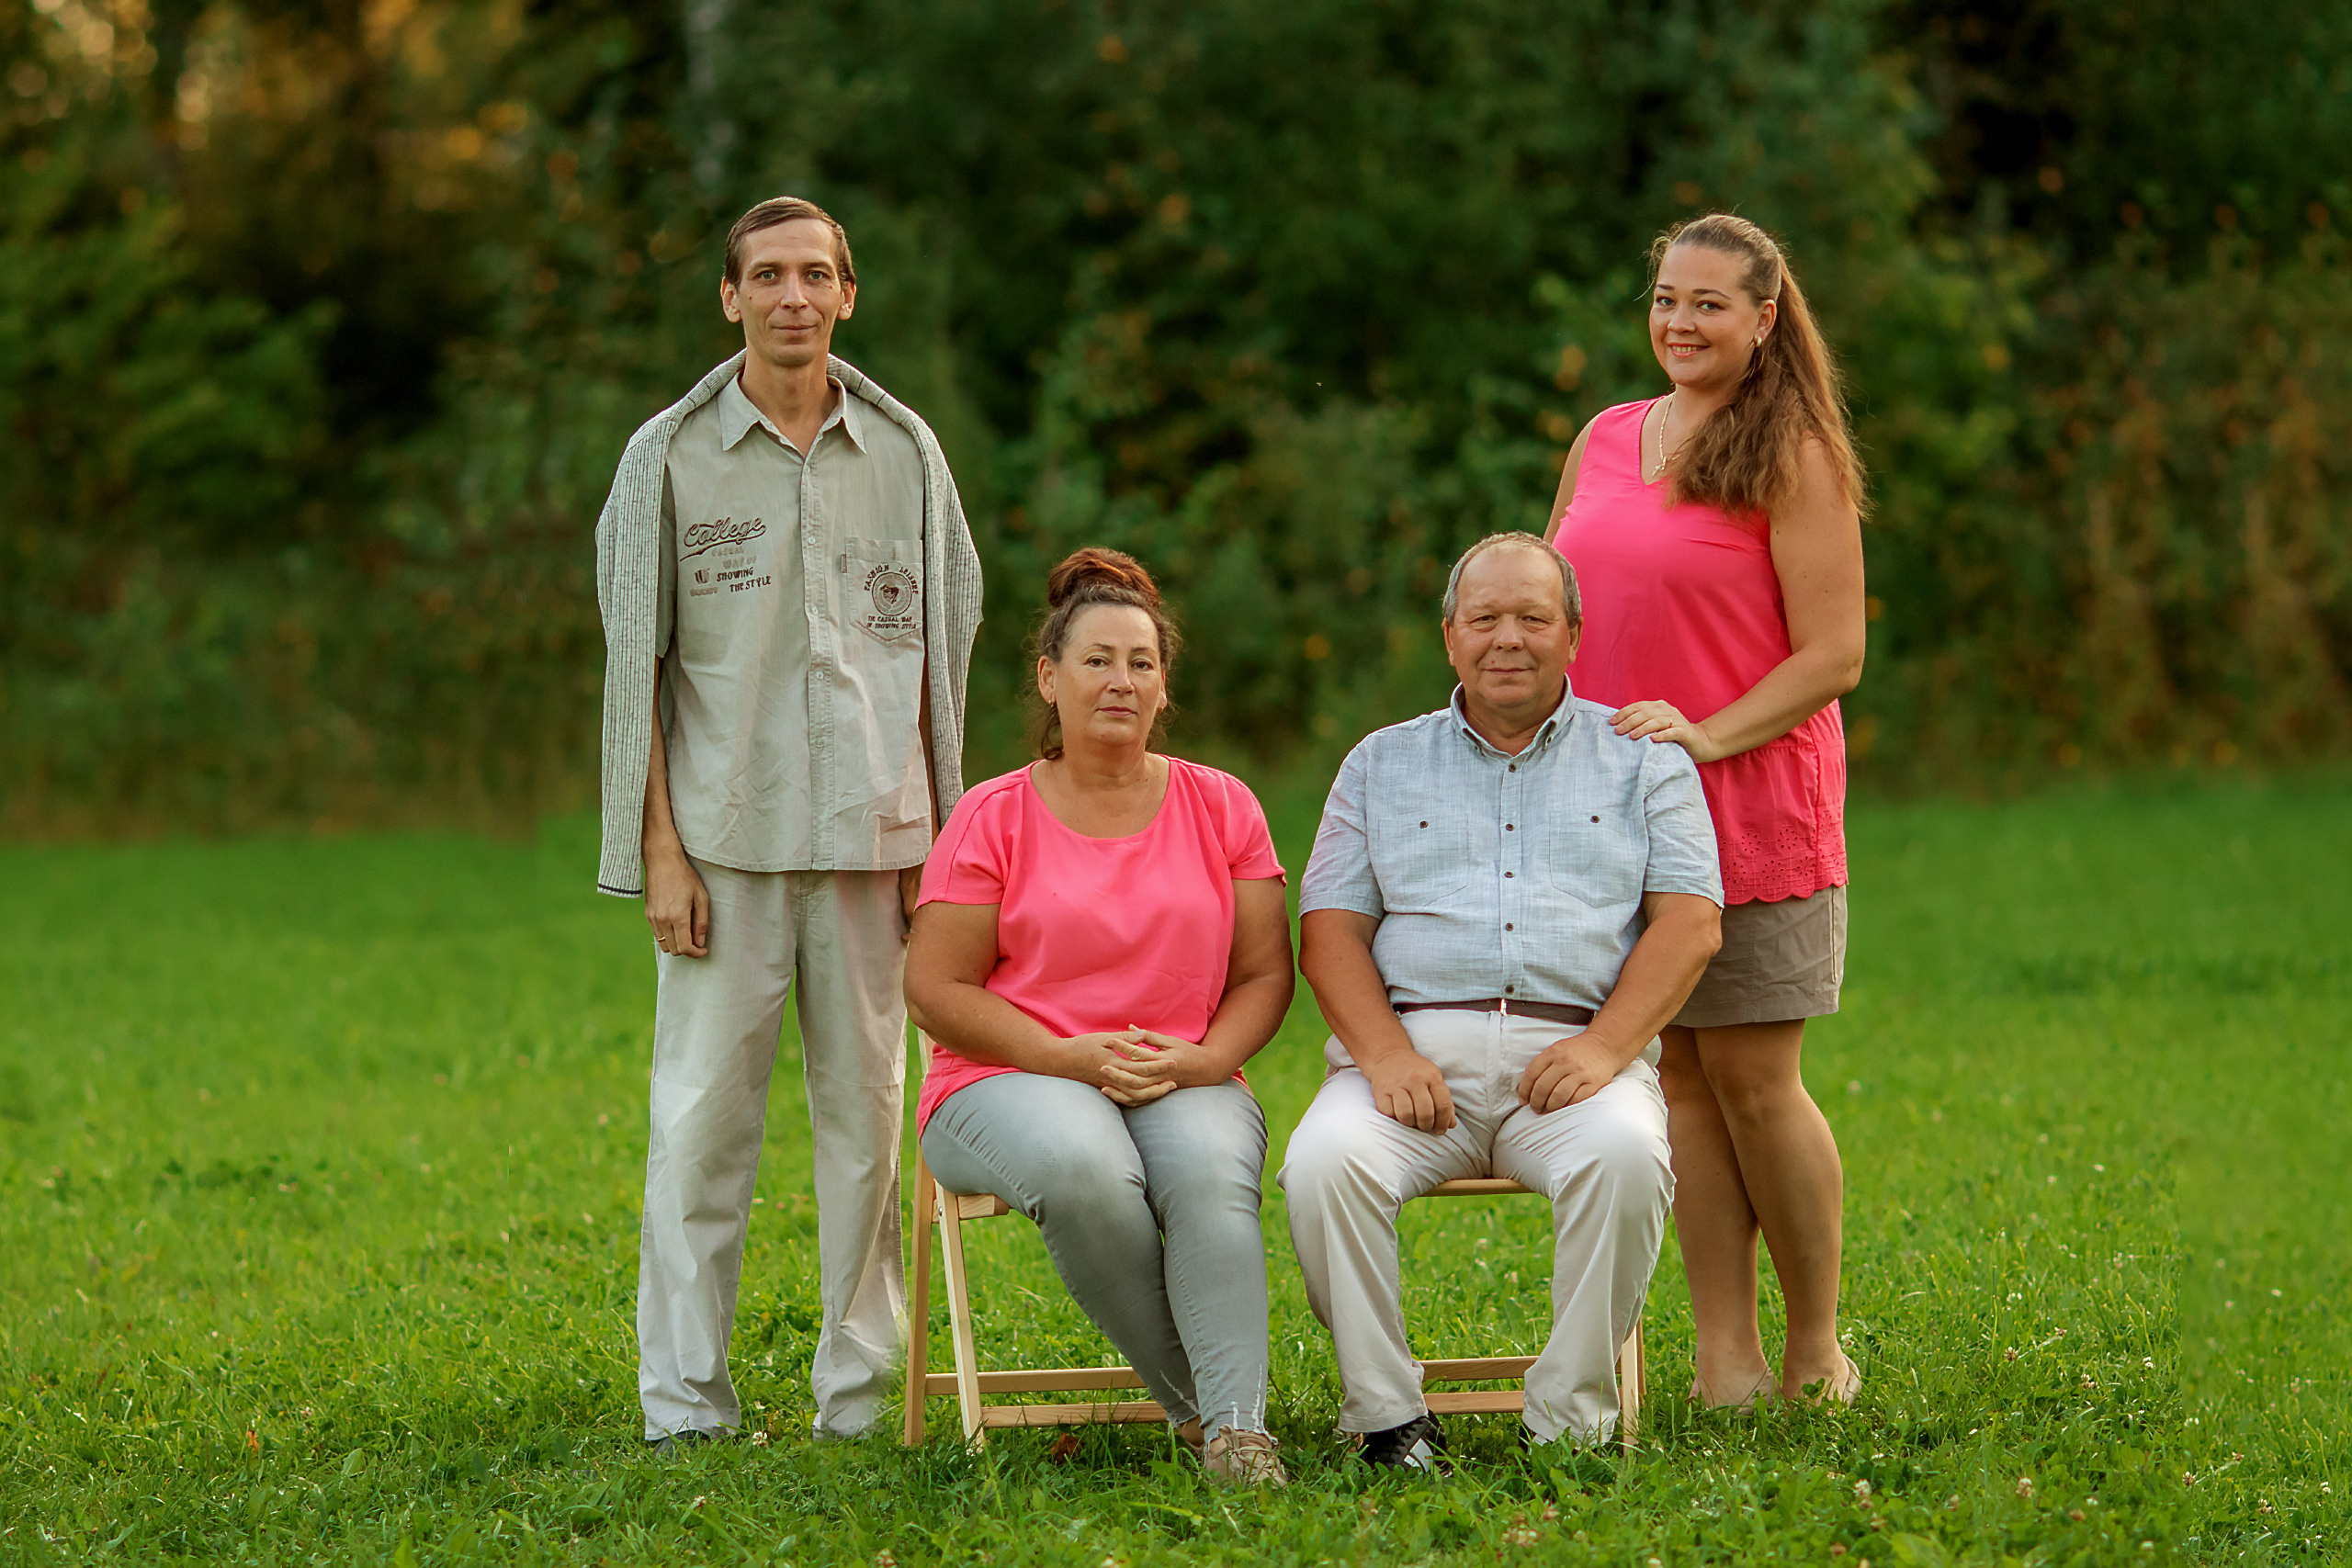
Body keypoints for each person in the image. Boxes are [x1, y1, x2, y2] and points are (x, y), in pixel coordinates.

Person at [593, 196, 983, 1450]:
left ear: (848, 294)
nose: (793, 296)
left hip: (882, 845)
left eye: (816, 273)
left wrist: (948, 853)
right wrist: (656, 845)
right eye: (767, 275)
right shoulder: (668, 454)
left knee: (867, 1131)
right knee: (702, 1127)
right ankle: (684, 1403)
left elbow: (946, 657)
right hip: (721, 846)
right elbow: (633, 666)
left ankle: (862, 1398)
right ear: (730, 296)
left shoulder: (909, 452)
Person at [1280, 534, 1724, 1465]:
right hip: (1409, 1058)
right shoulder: (1378, 764)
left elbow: (1689, 925)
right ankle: (1388, 1418)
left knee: (1628, 1156)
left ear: (1572, 633)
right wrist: (1387, 1057)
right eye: (1484, 619)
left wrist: (1606, 1049)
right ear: (1450, 637)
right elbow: (1328, 933)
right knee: (1324, 1162)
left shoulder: (1645, 760)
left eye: (1532, 617)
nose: (1506, 639)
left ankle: (1569, 1422)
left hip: (1573, 1059)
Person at [1545, 212, 1868, 1408]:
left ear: (1766, 320)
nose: (1681, 322)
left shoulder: (1795, 454)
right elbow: (1555, 597)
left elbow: (1834, 651)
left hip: (1752, 807)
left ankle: (1814, 1346)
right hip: (1607, 818)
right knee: (1675, 1076)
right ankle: (1723, 1353)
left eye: (1710, 304)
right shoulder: (1608, 433)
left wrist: (1705, 732)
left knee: (1752, 1073)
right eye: (1667, 299)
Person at [902, 548, 1295, 1487]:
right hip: (1007, 1075)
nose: (1121, 680)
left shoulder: (1221, 804)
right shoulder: (991, 816)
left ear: (1163, 688)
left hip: (1181, 1069)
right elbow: (936, 988)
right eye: (1096, 660)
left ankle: (1241, 1433)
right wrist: (1062, 1055)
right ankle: (1209, 1416)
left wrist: (1209, 1063)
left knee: (1207, 1170)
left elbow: (1265, 974)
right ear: (1048, 677)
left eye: (1141, 663)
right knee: (1086, 1167)